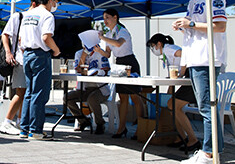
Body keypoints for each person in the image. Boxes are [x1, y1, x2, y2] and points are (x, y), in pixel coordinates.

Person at [174, 0, 227, 164]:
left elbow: (220, 26)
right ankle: (215, 150)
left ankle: (207, 153)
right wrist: (183, 25)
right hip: (195, 58)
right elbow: (193, 26)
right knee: (207, 106)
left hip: (207, 58)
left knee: (206, 107)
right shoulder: (192, 1)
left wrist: (192, 24)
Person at [19, 0, 61, 140]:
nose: (56, 5)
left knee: (29, 93)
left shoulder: (28, 14)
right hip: (40, 55)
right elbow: (46, 38)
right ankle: (36, 130)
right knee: (39, 94)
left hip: (27, 54)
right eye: (56, 2)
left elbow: (20, 39)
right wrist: (56, 50)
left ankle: (24, 129)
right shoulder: (47, 16)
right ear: (51, 0)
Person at [146, 33, 200, 151]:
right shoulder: (166, 53)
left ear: (159, 44)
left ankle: (193, 139)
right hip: (188, 77)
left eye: (153, 46)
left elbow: (184, 54)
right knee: (171, 106)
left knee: (173, 105)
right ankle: (181, 137)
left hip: (192, 76)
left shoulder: (168, 48)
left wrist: (183, 72)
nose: (153, 49)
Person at [98, 8, 144, 139]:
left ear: (115, 17)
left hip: (130, 62)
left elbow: (118, 44)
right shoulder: (109, 33)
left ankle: (141, 128)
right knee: (122, 97)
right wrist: (98, 49)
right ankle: (121, 128)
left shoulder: (122, 31)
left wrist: (103, 37)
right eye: (104, 18)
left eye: (107, 17)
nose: (105, 21)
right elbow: (107, 54)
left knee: (135, 96)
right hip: (119, 64)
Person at [0, 0, 40, 135]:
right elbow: (5, 34)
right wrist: (8, 53)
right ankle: (7, 122)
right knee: (21, 92)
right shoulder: (19, 16)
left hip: (31, 60)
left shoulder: (38, 18)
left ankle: (21, 121)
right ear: (34, 4)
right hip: (20, 60)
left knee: (27, 92)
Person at [65, 43, 110, 134]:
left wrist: (97, 72)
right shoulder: (79, 53)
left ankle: (100, 123)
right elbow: (78, 69)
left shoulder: (100, 52)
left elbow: (106, 70)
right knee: (67, 97)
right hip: (84, 88)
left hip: (99, 88)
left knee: (92, 99)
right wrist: (84, 56)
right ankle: (83, 121)